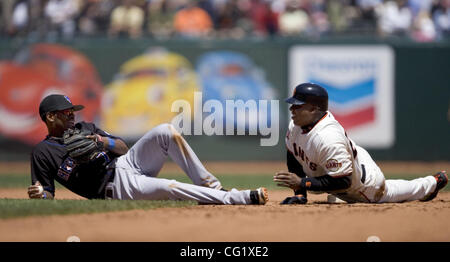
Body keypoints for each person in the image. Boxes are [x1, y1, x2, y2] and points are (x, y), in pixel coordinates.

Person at [27, 94, 268, 205]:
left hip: (126, 163)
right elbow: (47, 193)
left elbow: (122, 148)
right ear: (50, 117)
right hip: (115, 188)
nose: (72, 115)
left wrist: (101, 142)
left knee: (165, 130)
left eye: (73, 110)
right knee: (169, 186)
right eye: (66, 112)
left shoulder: (85, 127)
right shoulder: (43, 153)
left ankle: (214, 188)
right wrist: (40, 195)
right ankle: (234, 197)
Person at [274, 83, 447, 204]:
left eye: (298, 106)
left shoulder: (328, 137)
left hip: (362, 185)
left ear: (313, 109)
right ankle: (336, 196)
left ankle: (431, 183)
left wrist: (302, 183)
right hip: (343, 161)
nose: (292, 109)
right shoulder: (296, 125)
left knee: (389, 192)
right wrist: (300, 195)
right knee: (324, 183)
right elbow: (294, 156)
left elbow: (344, 182)